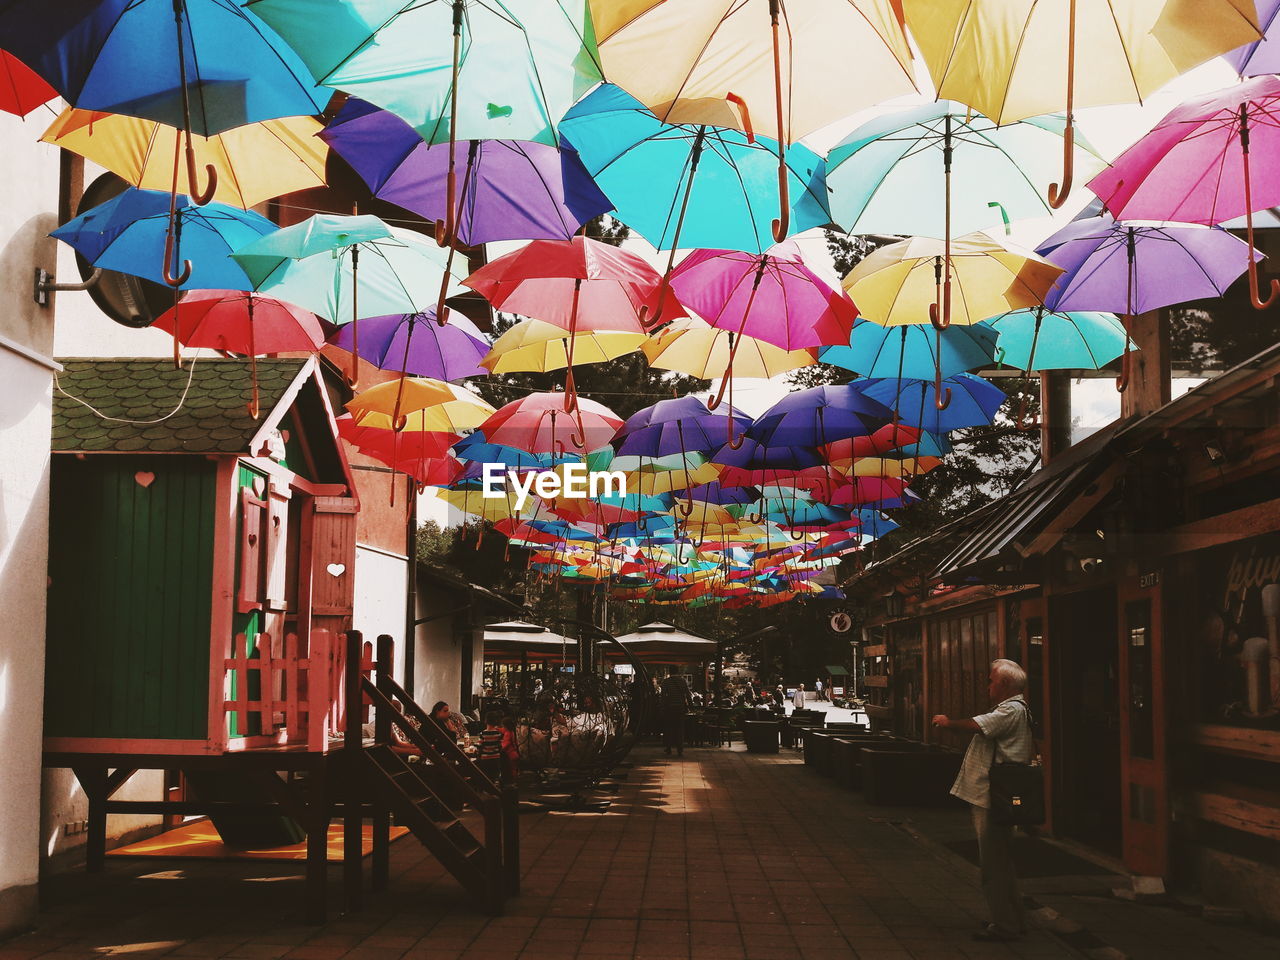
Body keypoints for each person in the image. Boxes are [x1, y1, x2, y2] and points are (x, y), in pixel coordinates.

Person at [932, 659, 1034, 943]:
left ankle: (1006, 925)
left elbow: (977, 725)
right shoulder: (1011, 709)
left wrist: (947, 722)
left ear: (1003, 684)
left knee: (993, 864)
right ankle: (1014, 920)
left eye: (991, 680)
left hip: (993, 797)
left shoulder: (1010, 710)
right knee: (1002, 861)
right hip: (993, 796)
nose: (988, 685)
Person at [659, 673, 692, 757]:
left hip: (669, 708)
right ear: (678, 671)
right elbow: (688, 694)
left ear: (670, 672)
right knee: (680, 729)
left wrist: (663, 707)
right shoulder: (683, 681)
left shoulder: (666, 682)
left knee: (669, 728)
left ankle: (669, 747)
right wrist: (690, 706)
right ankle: (680, 749)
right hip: (680, 708)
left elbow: (663, 696)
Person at [478, 710, 504, 782]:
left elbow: (480, 746)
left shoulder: (482, 733)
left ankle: (486, 791)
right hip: (496, 758)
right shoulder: (499, 734)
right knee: (495, 776)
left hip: (485, 758)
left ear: (486, 720)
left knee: (486, 777)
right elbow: (501, 746)